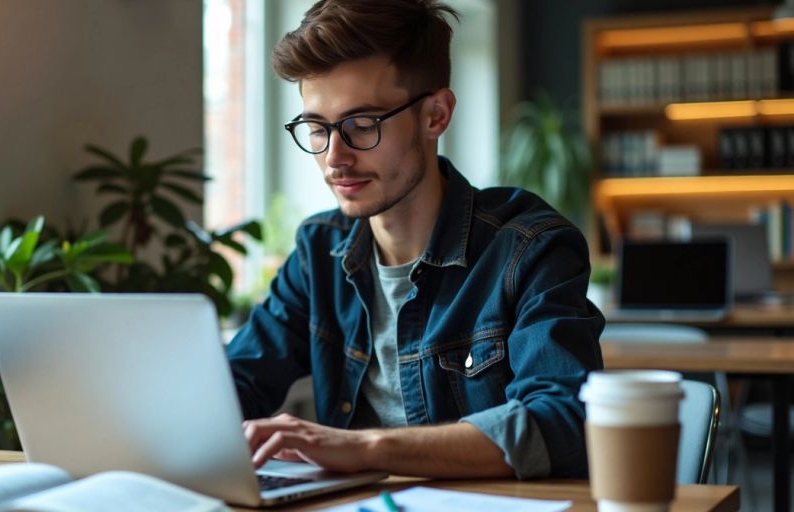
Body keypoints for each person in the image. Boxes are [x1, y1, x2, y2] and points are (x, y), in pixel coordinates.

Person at [227, 0, 604, 480]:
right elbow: (235, 382)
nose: (333, 158)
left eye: (361, 126)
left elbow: (562, 420)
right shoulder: (318, 250)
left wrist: (365, 448)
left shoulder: (530, 247)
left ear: (435, 115)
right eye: (317, 129)